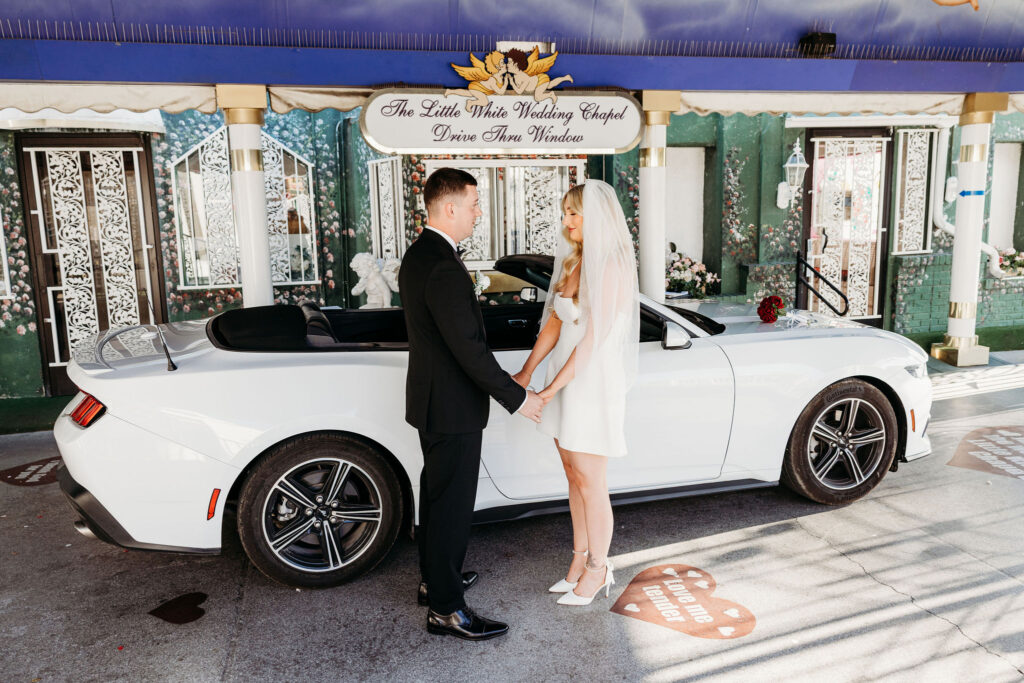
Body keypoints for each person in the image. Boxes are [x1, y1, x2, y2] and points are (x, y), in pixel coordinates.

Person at [399, 167, 545, 640]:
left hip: (433, 402)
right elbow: (468, 349)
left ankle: (434, 581)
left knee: (437, 497)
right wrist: (517, 397)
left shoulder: (421, 254)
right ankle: (446, 610)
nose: (479, 213)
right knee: (452, 506)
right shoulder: (442, 265)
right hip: (452, 407)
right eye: (475, 204)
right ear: (449, 208)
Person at [511, 180, 640, 606]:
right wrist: (528, 371)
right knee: (572, 474)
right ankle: (580, 558)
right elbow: (555, 324)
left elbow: (592, 341)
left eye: (573, 213)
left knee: (591, 479)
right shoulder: (575, 260)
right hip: (565, 376)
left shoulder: (612, 265)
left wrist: (550, 390)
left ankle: (599, 568)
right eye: (564, 213)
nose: (566, 222)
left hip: (591, 381)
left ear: (595, 216)